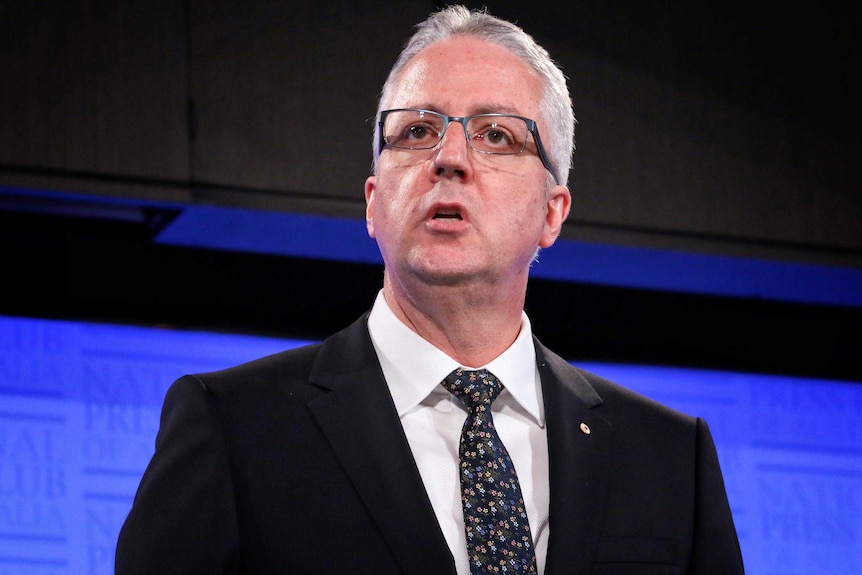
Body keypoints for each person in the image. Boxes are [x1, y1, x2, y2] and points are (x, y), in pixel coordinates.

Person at [115, 5, 744, 574]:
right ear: (373, 202)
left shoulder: (667, 457)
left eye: (496, 134)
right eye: (417, 131)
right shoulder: (233, 427)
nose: (449, 157)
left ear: (552, 213)